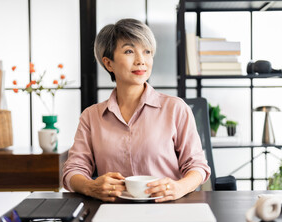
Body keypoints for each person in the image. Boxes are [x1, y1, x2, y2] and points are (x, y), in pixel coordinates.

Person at [62, 18, 210, 202]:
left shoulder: (176, 109)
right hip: (112, 211)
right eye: (129, 51)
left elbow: (198, 166)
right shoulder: (91, 117)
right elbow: (73, 171)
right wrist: (90, 187)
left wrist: (179, 187)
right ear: (109, 63)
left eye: (147, 52)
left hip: (167, 208)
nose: (141, 61)